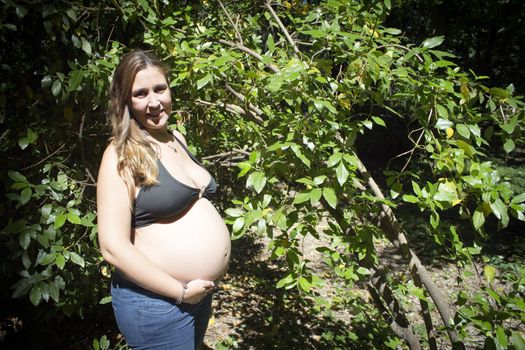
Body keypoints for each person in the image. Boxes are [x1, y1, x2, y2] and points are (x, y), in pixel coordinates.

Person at [96, 49, 231, 349]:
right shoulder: (120, 155)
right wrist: (179, 291)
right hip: (157, 304)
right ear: (126, 102)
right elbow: (112, 247)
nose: (155, 102)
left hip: (196, 297)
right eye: (141, 93)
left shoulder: (176, 139)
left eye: (160, 89)